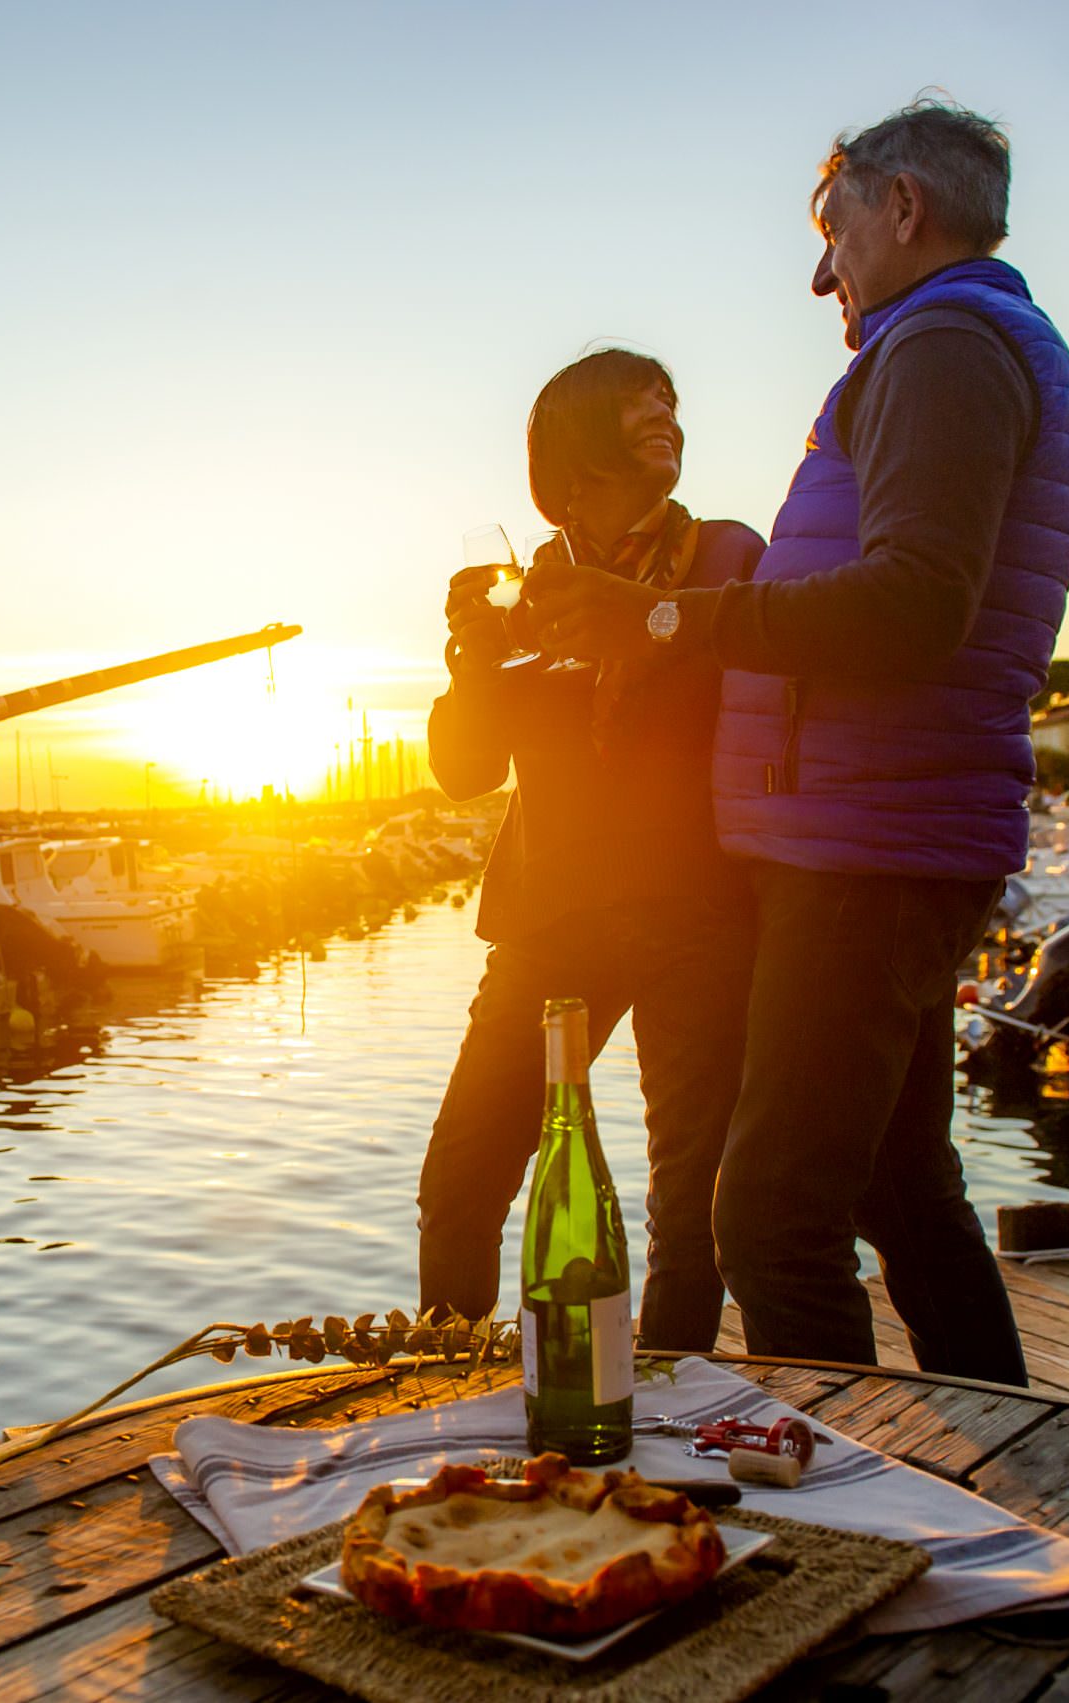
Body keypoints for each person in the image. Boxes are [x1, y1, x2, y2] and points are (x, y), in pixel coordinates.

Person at [546, 99, 1069, 1382]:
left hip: (871, 846)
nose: (817, 269)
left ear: (901, 210)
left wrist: (668, 614)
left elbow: (912, 603)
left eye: (829, 225)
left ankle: (842, 1517)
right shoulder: (964, 340)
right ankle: (1009, 1453)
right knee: (901, 1191)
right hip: (888, 830)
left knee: (770, 1215)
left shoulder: (946, 343)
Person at [419, 349, 765, 1351]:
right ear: (571, 451)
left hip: (700, 911)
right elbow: (464, 770)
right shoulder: (522, 590)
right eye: (636, 399)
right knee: (462, 1174)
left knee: (690, 1201)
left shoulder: (728, 556)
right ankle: (442, 1391)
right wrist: (470, 660)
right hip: (550, 919)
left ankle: (663, 1399)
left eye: (670, 396)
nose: (664, 408)